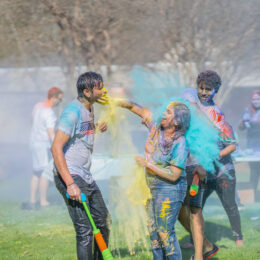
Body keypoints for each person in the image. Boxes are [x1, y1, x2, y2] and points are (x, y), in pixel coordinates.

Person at [179, 70, 243, 260]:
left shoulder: (218, 115)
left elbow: (232, 143)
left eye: (209, 89)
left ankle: (238, 237)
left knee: (230, 204)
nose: (204, 92)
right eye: (202, 88)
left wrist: (216, 154)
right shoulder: (190, 95)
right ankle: (196, 239)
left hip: (223, 170)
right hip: (201, 169)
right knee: (194, 207)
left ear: (216, 91)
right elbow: (191, 103)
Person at [120, 99, 190, 259]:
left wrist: (148, 165)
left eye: (168, 112)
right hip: (150, 188)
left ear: (177, 121)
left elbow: (174, 175)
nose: (163, 114)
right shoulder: (156, 129)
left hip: (169, 190)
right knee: (153, 234)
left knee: (164, 232)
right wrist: (117, 102)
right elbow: (137, 108)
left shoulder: (180, 142)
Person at [51, 72, 110, 260]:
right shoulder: (71, 112)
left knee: (103, 221)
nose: (103, 91)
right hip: (70, 175)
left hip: (85, 174)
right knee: (85, 230)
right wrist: (69, 184)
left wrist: (98, 125)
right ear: (86, 91)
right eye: (99, 88)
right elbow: (56, 147)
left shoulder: (90, 107)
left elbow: (81, 135)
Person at [28, 87, 63, 208]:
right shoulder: (49, 113)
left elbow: (31, 120)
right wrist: (57, 146)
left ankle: (32, 200)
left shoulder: (38, 106)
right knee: (44, 172)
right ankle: (43, 201)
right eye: (59, 98)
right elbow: (50, 133)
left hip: (33, 142)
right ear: (53, 97)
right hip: (42, 145)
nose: (60, 101)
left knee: (36, 172)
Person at [239, 90, 260, 199]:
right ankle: (253, 195)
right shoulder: (247, 111)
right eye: (254, 99)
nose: (255, 101)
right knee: (254, 172)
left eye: (257, 99)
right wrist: (243, 123)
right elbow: (241, 128)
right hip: (252, 147)